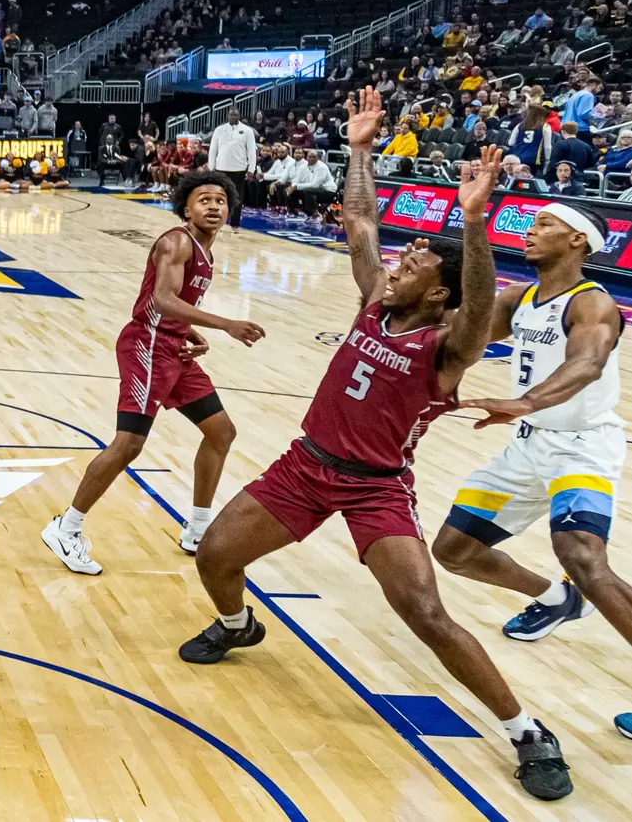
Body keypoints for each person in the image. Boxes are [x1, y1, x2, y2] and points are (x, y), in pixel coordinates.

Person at [178, 87, 572, 802]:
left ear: (438, 294)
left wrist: (475, 224)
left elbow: (479, 302)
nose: (398, 262)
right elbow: (360, 221)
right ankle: (237, 626)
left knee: (423, 613)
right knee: (214, 557)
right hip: (304, 467)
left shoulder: (448, 346)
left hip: (374, 486)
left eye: (416, 261)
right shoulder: (373, 302)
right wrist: (358, 149)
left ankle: (525, 732)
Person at [430, 204, 632, 743]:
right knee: (453, 551)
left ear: (577, 241)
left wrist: (526, 401)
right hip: (528, 443)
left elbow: (586, 365)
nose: (530, 230)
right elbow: (464, 335)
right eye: (531, 222)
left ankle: (575, 589)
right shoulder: (518, 296)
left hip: (582, 446)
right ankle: (554, 599)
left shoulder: (594, 303)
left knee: (584, 556)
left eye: (545, 225)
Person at [41, 171, 264, 571]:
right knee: (129, 443)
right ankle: (66, 527)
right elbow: (161, 300)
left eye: (220, 200)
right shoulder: (176, 242)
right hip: (147, 346)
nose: (213, 206)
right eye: (204, 200)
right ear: (185, 208)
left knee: (221, 431)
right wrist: (225, 324)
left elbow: (171, 304)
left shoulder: (205, 250)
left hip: (174, 349)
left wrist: (191, 331)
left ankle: (197, 527)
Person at [208, 108, 257, 234]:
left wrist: (252, 168)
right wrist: (211, 166)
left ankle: (235, 224)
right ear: (227, 115)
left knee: (237, 198)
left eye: (235, 115)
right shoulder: (219, 130)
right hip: (220, 168)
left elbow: (251, 151)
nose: (233, 117)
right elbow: (213, 149)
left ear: (239, 115)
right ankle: (218, 223)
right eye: (231, 114)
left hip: (239, 169)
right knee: (218, 197)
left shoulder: (247, 131)